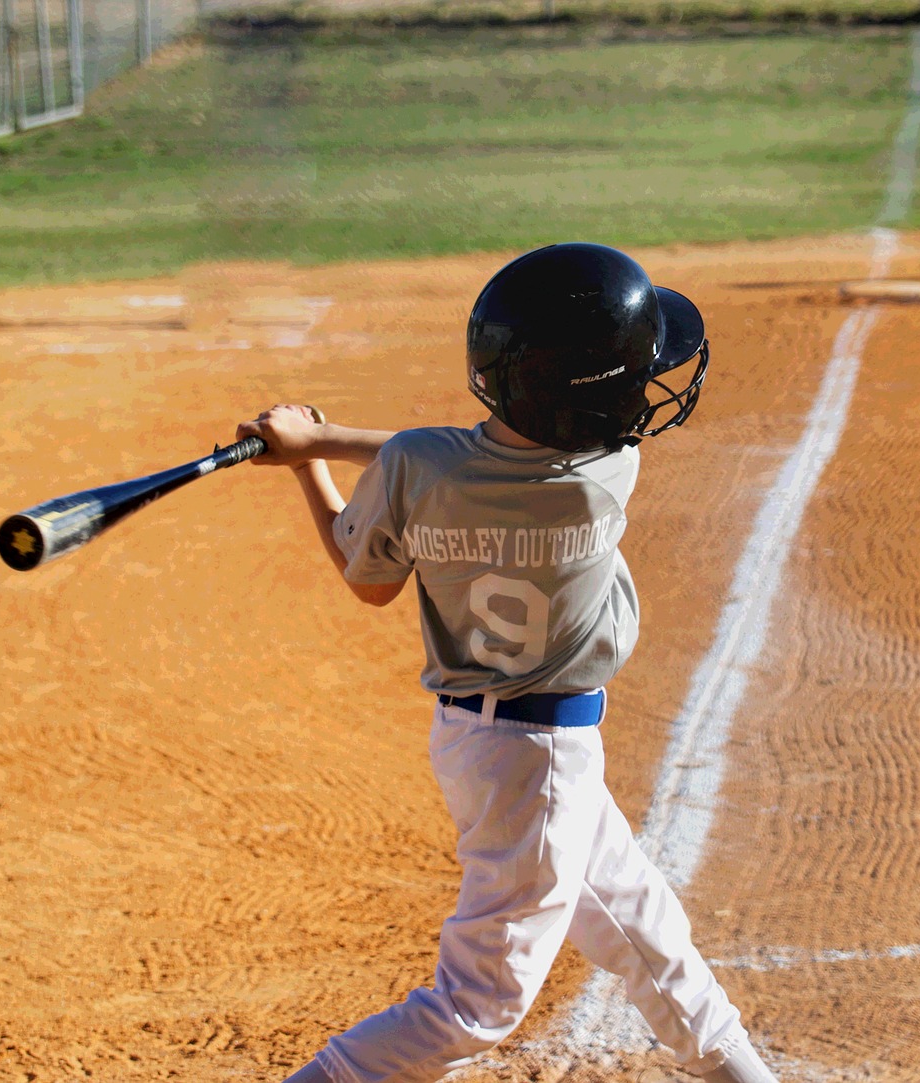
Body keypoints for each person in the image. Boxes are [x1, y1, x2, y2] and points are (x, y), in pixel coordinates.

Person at [235, 243, 779, 1083]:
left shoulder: (417, 467)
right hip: (544, 756)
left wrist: (306, 455)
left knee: (639, 921)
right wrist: (331, 437)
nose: (645, 387)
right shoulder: (607, 471)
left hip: (490, 747)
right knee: (477, 1005)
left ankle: (740, 1071)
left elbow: (372, 573)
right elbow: (470, 457)